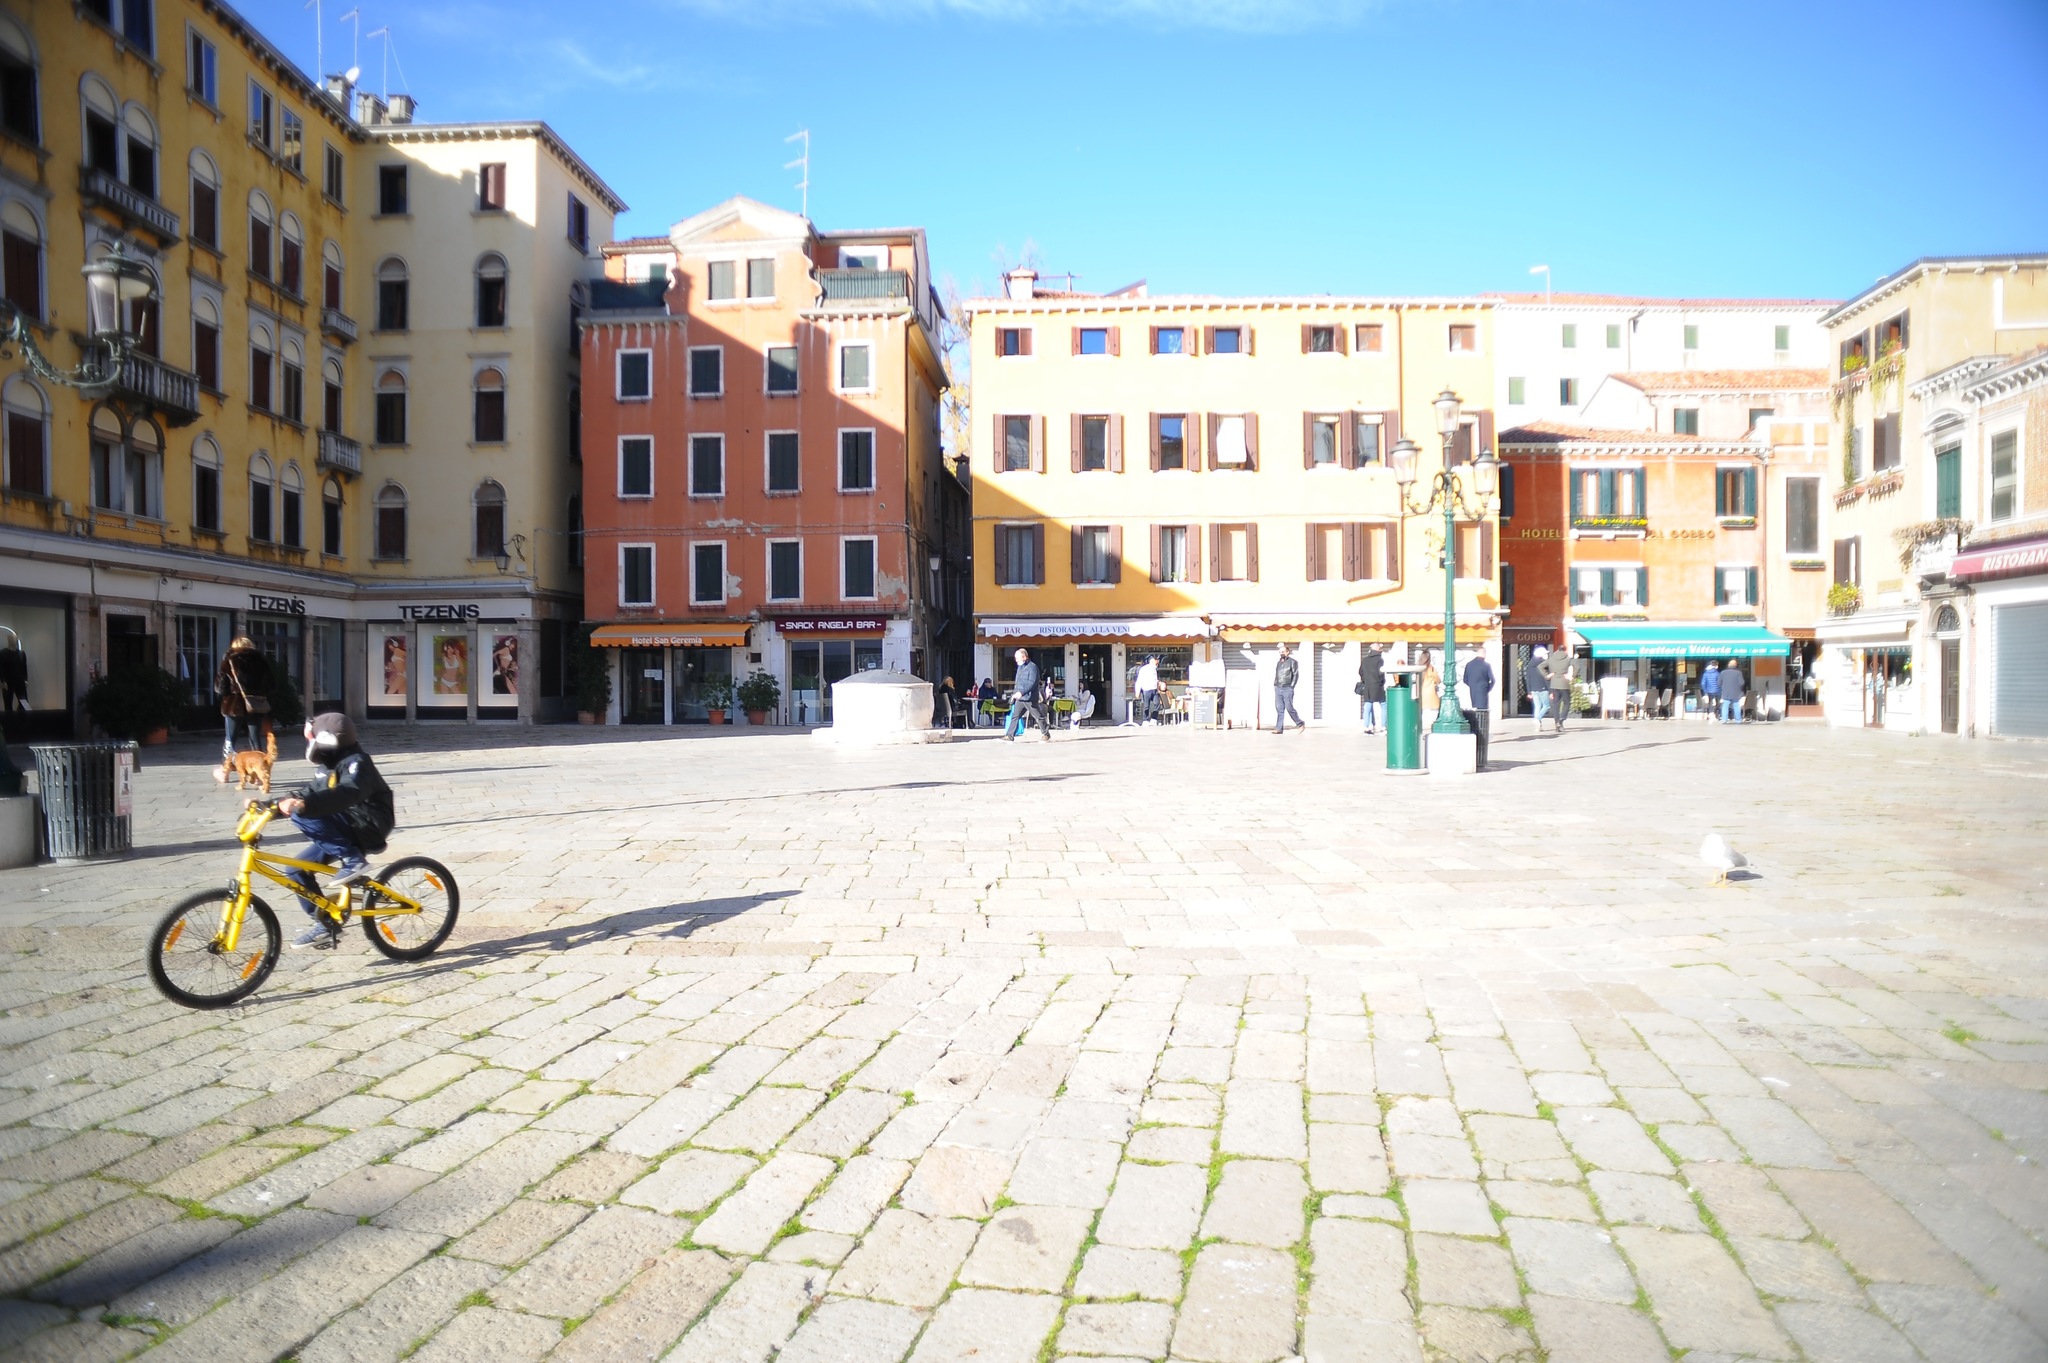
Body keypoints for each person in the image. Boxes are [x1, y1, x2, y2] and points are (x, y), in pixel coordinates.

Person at [271, 713, 395, 949]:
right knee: (296, 869)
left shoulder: (357, 761)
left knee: (304, 813)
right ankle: (324, 922)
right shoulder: (328, 765)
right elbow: (309, 792)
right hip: (346, 825)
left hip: (368, 823)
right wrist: (272, 806)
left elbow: (349, 791)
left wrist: (305, 806)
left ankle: (352, 860)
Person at [214, 637, 272, 781]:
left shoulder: (229, 660)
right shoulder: (261, 661)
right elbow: (271, 685)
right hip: (255, 705)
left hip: (234, 705)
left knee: (230, 739)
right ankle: (259, 774)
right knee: (255, 739)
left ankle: (225, 773)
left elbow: (220, 687)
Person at [1462, 648, 1496, 769]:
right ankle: (1482, 736)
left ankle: (1476, 731)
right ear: (1484, 654)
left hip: (1473, 692)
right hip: (1482, 692)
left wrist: (1472, 686)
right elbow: (1493, 680)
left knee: (1475, 711)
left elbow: (1465, 679)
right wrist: (1487, 688)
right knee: (1483, 714)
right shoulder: (1486, 665)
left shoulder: (1469, 665)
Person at [1007, 649, 1049, 742]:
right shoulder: (1020, 667)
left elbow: (1032, 683)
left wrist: (1021, 692)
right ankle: (1009, 735)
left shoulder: (1033, 667)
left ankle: (1046, 733)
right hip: (1020, 698)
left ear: (1024, 657)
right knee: (1015, 716)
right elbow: (1018, 682)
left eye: (1018, 658)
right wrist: (1014, 694)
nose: (1016, 660)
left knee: (1038, 716)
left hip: (1029, 697)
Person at [1271, 644, 1304, 734]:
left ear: (1287, 652)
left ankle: (1300, 723)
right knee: (1279, 708)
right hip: (1278, 687)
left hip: (1287, 688)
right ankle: (1279, 728)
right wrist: (1275, 684)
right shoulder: (1279, 662)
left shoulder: (1293, 662)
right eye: (1280, 652)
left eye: (1283, 652)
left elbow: (1295, 675)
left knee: (1289, 707)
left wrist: (1291, 686)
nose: (1281, 653)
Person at [1542, 649, 1574, 733]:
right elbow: (1577, 666)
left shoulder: (1551, 659)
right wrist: (1571, 676)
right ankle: (1561, 719)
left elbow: (1540, 666)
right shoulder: (1568, 659)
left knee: (1556, 704)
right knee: (1567, 702)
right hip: (1564, 684)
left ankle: (1556, 722)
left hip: (1554, 684)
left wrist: (1547, 675)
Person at [1356, 645, 1386, 734]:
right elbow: (1381, 673)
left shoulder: (1365, 660)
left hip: (1367, 686)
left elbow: (1360, 671)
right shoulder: (1379, 660)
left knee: (1368, 705)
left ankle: (1367, 726)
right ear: (1378, 650)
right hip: (1377, 686)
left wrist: (1365, 680)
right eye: (1380, 648)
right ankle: (1383, 726)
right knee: (1384, 705)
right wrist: (1381, 682)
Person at [1524, 647, 1551, 733]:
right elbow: (1545, 678)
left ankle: (1538, 726)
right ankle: (1537, 719)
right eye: (1545, 654)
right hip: (1542, 688)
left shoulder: (1530, 665)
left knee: (1537, 706)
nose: (1546, 655)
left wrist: (1529, 691)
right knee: (1546, 705)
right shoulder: (1543, 665)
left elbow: (1528, 678)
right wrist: (1550, 689)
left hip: (1533, 689)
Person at [1134, 656, 1162, 725]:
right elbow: (1139, 680)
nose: (1157, 662)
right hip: (1146, 689)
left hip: (1154, 689)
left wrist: (1158, 684)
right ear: (1152, 661)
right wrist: (1137, 691)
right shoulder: (1144, 669)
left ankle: (1153, 719)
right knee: (1146, 706)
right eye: (1156, 661)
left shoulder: (1155, 669)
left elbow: (1154, 679)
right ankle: (1145, 720)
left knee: (1157, 703)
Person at [1720, 659, 1747, 724]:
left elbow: (1719, 682)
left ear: (1728, 665)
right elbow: (1742, 683)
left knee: (1725, 705)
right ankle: (1738, 720)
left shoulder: (1723, 672)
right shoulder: (1738, 673)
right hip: (1736, 692)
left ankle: (1724, 719)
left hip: (1726, 692)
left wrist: (1723, 687)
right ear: (1736, 665)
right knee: (1736, 705)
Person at [1419, 651, 1441, 728]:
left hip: (1421, 696)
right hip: (1431, 696)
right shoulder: (1431, 669)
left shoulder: (1418, 669)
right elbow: (1438, 680)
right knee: (1432, 717)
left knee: (1422, 716)